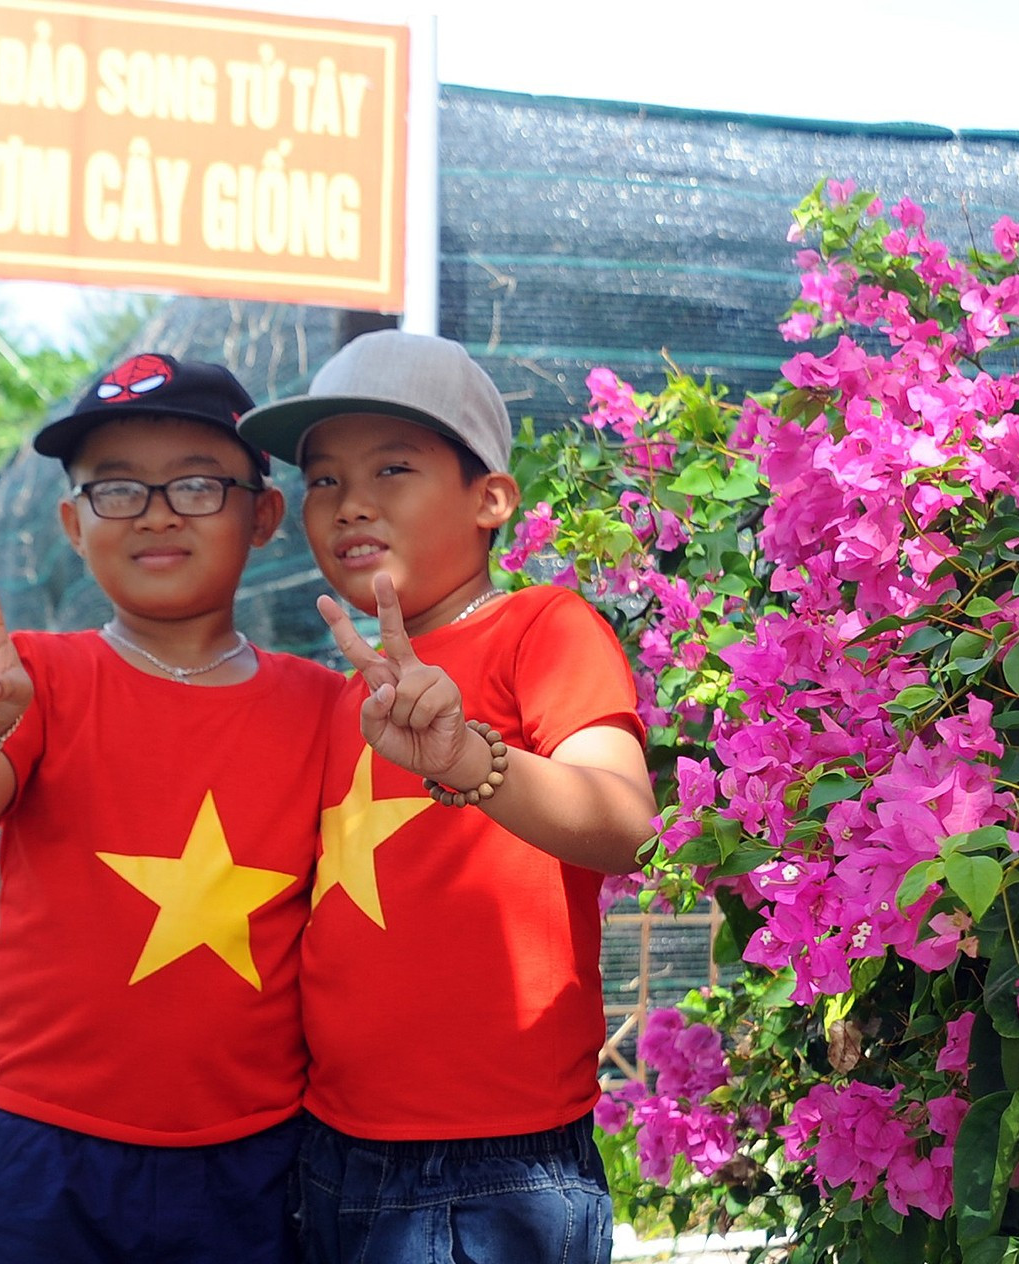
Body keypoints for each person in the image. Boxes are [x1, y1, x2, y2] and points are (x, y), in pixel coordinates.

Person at [0, 352, 344, 1264]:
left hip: (258, 1158)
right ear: (73, 522)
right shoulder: (32, 677)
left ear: (262, 515)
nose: (157, 513)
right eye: (118, 489)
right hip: (43, 1153)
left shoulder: (326, 705)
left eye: (197, 485)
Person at [238, 330, 658, 1264]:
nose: (351, 502)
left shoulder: (542, 626)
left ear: (491, 499)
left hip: (496, 1164)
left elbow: (629, 826)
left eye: (392, 468)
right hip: (329, 1145)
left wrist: (471, 760)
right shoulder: (343, 691)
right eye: (323, 480)